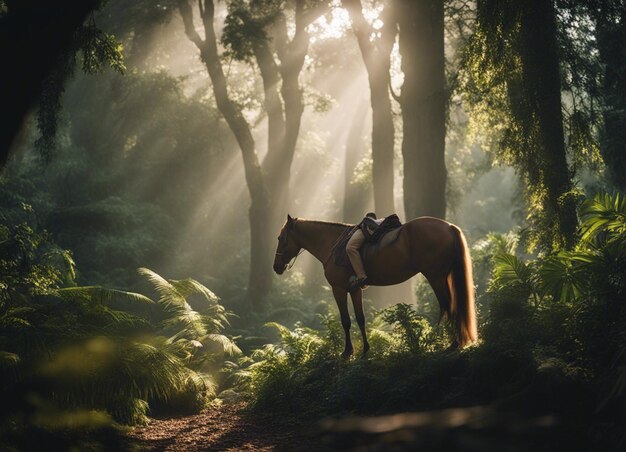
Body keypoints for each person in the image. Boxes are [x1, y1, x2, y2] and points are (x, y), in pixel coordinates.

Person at [346, 212, 383, 291]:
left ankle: (362, 277)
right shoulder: (382, 221)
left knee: (350, 248)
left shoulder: (365, 222)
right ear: (375, 218)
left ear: (367, 217)